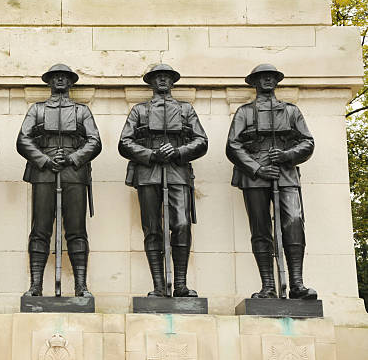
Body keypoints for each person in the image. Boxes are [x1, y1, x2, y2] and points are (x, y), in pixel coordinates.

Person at [226, 64, 317, 300]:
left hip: (285, 173)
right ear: (254, 83)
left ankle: (297, 283)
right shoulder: (244, 112)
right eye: (261, 77)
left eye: (270, 77)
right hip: (255, 176)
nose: (267, 80)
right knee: (260, 228)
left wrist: (287, 155)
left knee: (294, 223)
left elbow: (307, 142)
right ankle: (268, 285)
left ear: (276, 81)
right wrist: (258, 169)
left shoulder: (291, 111)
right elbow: (233, 145)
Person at [119, 64, 207, 297]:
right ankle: (158, 285)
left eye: (166, 77)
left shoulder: (186, 109)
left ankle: (180, 283)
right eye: (158, 77)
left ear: (172, 82)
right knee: (152, 229)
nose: (162, 81)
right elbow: (124, 142)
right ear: (151, 82)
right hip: (148, 174)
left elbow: (201, 141)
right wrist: (150, 155)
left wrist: (178, 152)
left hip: (177, 172)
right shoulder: (140, 111)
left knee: (181, 225)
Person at [17, 64, 101, 297]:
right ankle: (35, 286)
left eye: (65, 77)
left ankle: (81, 286)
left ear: (71, 82)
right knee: (40, 229)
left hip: (74, 172)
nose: (60, 80)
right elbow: (23, 140)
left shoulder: (82, 111)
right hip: (43, 172)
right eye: (56, 77)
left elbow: (94, 141)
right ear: (49, 82)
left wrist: (73, 158)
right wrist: (44, 160)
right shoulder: (37, 110)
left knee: (76, 229)